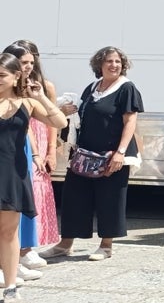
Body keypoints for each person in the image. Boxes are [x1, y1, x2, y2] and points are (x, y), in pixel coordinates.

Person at [43, 46, 143, 262]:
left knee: (110, 198)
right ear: (99, 64)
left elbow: (130, 121)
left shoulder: (127, 88)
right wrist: (69, 111)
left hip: (112, 154)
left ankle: (106, 245)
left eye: (117, 61)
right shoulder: (92, 87)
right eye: (109, 61)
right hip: (85, 154)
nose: (114, 65)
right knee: (74, 197)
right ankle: (64, 244)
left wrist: (120, 152)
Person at [0, 52, 68, 303]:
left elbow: (59, 120)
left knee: (8, 232)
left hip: (12, 173)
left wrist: (40, 96)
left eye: (2, 75)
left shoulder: (27, 103)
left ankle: (10, 286)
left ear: (17, 76)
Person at [5, 42, 61, 277]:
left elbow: (57, 122)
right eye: (23, 62)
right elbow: (23, 126)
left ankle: (21, 254)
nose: (28, 67)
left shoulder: (37, 90)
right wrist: (37, 152)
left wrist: (49, 150)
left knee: (23, 204)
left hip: (25, 148)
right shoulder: (10, 93)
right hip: (19, 146)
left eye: (31, 62)